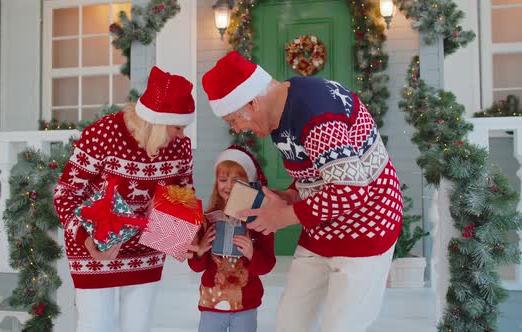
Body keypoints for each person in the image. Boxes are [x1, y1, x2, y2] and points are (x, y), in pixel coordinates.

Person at [201, 51, 403, 332]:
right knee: (291, 320)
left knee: (341, 326)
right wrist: (290, 195)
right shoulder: (281, 115)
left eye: (234, 120)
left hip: (367, 226)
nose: (238, 129)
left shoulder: (317, 113)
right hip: (323, 228)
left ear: (252, 102)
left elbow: (352, 191)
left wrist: (284, 216)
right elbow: (319, 171)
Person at [54, 66, 197, 332]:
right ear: (155, 122)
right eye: (176, 127)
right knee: (97, 326)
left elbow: (183, 197)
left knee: (138, 326)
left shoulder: (180, 147)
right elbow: (65, 193)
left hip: (145, 252)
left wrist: (182, 240)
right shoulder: (102, 135)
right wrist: (86, 240)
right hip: (94, 249)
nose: (182, 135)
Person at [188, 145, 275, 332]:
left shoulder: (261, 222)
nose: (228, 185)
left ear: (249, 183)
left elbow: (267, 266)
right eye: (223, 179)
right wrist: (201, 251)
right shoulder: (208, 219)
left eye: (236, 180)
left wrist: (252, 254)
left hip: (246, 303)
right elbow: (196, 268)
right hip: (211, 301)